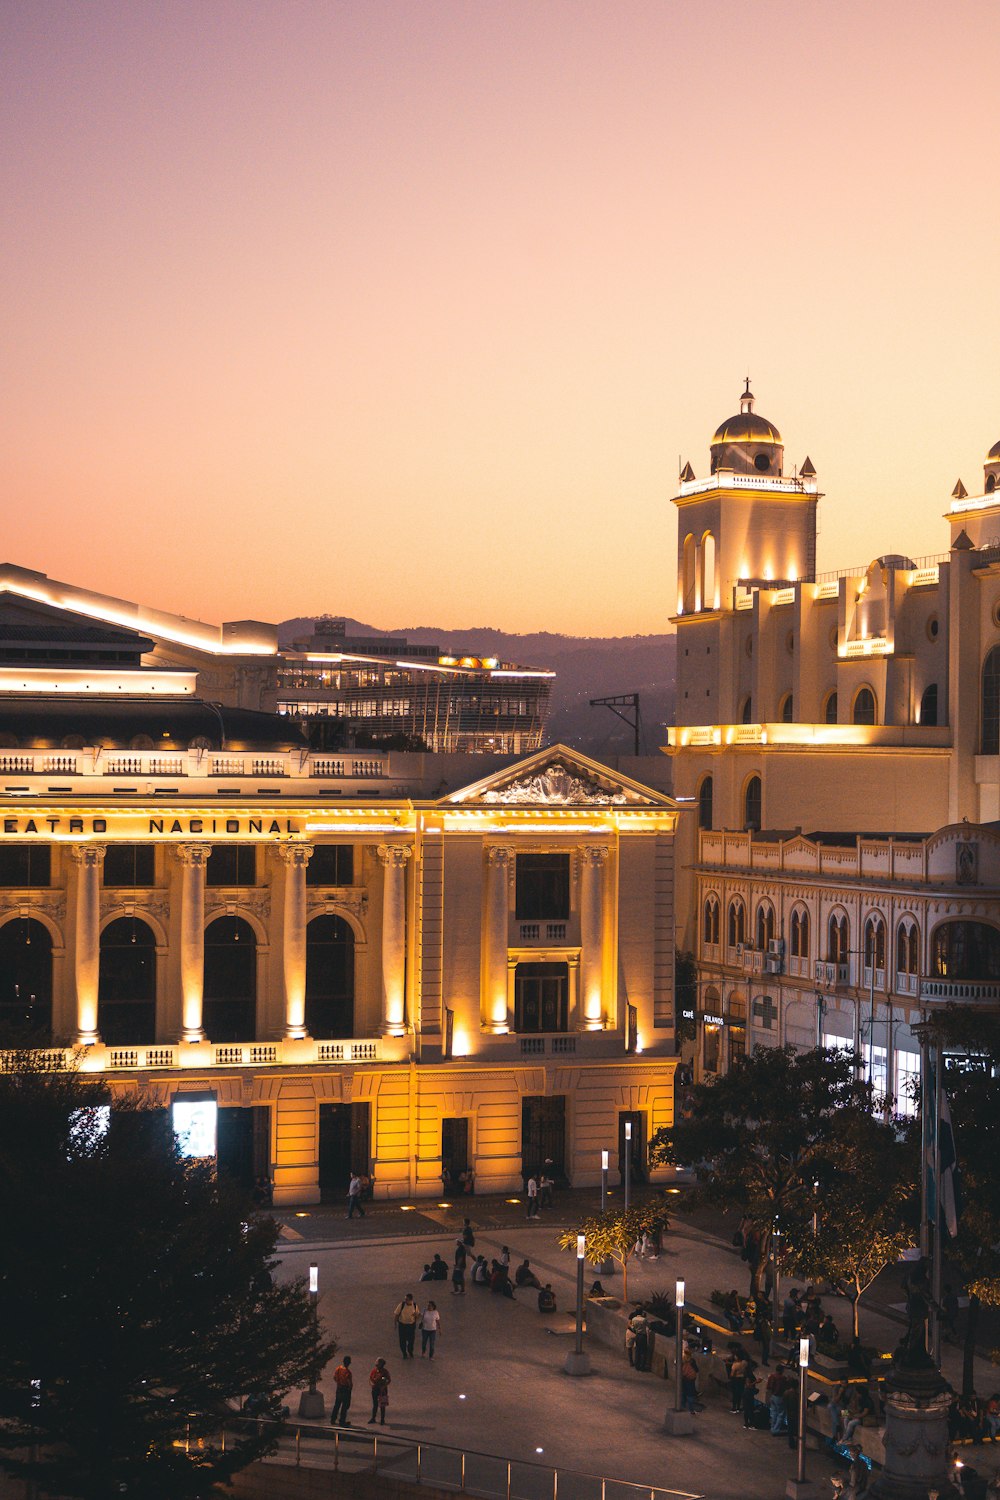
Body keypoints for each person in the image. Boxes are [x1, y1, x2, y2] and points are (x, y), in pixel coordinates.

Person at [393, 1293, 420, 1358]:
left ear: (411, 1300)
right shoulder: (401, 1305)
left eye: (406, 1299)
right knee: (402, 1340)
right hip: (402, 1325)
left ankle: (410, 1351)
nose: (405, 1301)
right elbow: (396, 1314)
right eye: (405, 1299)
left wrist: (416, 1316)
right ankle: (404, 1353)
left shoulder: (415, 1305)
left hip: (411, 1325)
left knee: (411, 1340)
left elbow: (417, 1314)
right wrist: (395, 1323)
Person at [331, 1355, 353, 1426]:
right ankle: (342, 1421)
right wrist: (350, 1389)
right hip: (345, 1390)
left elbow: (334, 1377)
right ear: (348, 1363)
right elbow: (349, 1383)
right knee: (344, 1406)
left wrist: (339, 1383)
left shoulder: (338, 1369)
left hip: (339, 1388)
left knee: (337, 1404)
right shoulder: (348, 1372)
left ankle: (333, 1419)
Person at [368, 1359, 391, 1424]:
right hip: (375, 1389)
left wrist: (384, 1386)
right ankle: (373, 1418)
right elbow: (370, 1378)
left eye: (378, 1364)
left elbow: (389, 1380)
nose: (376, 1365)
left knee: (382, 1405)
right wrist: (372, 1384)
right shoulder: (374, 1371)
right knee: (375, 1404)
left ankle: (382, 1419)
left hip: (382, 1390)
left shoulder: (385, 1372)